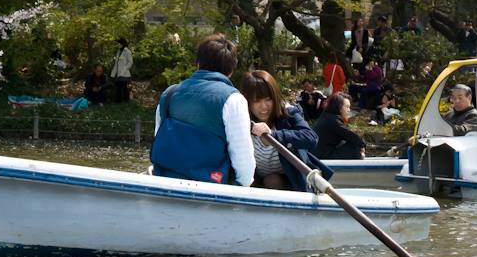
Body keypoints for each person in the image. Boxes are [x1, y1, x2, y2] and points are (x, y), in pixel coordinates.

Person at [150, 35, 255, 186]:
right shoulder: (233, 99)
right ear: (231, 70)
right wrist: (241, 187)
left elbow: (158, 138)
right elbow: (243, 158)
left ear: (197, 64)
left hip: (165, 182)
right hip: (211, 188)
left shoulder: (169, 94)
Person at [240, 69, 327, 191]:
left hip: (291, 182)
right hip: (258, 180)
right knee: (247, 182)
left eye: (268, 99)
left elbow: (312, 138)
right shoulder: (242, 120)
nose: (264, 106)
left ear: (275, 97)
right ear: (247, 102)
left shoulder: (288, 112)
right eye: (256, 101)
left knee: (271, 181)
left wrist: (275, 135)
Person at [314, 92, 366, 159]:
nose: (349, 110)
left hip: (321, 154)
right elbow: (353, 137)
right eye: (347, 107)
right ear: (339, 107)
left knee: (350, 142)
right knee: (355, 146)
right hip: (323, 157)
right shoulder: (333, 121)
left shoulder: (327, 116)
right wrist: (362, 147)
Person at [109, 38, 133, 104]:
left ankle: (126, 100)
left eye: (119, 43)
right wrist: (113, 73)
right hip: (118, 73)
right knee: (118, 87)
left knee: (125, 88)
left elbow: (130, 62)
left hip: (125, 74)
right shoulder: (118, 52)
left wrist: (125, 69)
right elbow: (116, 63)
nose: (118, 45)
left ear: (122, 43)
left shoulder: (127, 51)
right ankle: (118, 101)